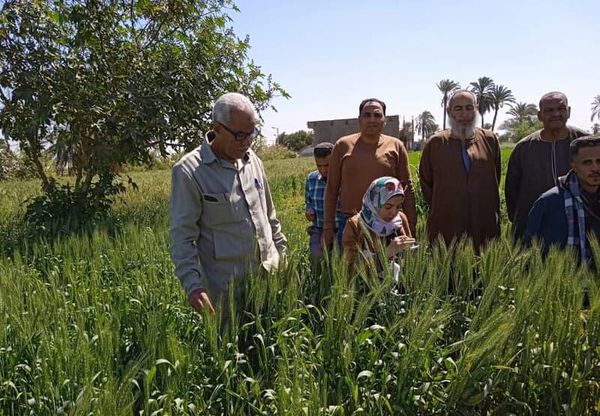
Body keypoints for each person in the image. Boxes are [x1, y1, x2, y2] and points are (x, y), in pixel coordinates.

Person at [170, 92, 287, 318]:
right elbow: (182, 237)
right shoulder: (189, 171)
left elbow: (269, 215)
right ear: (217, 128)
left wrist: (282, 256)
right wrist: (194, 286)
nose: (246, 143)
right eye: (239, 135)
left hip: (269, 278)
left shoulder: (253, 160)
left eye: (251, 134)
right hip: (227, 291)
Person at [323, 98, 417, 248]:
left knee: (388, 268)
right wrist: (328, 228)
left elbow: (407, 188)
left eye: (377, 115)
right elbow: (332, 189)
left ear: (384, 120)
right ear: (359, 119)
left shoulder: (396, 146)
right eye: (367, 115)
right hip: (351, 223)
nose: (372, 119)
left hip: (388, 224)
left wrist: (410, 225)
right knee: (350, 269)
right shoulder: (342, 145)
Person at [418, 90, 501, 250]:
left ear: (476, 109)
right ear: (449, 112)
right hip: (447, 226)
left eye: (469, 108)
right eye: (458, 108)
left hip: (483, 224)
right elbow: (426, 185)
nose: (465, 114)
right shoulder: (436, 143)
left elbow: (494, 177)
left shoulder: (489, 140)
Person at [506, 91, 589, 240]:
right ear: (539, 115)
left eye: (561, 109)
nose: (556, 114)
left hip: (581, 225)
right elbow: (512, 192)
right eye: (549, 110)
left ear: (569, 112)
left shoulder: (586, 142)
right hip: (535, 228)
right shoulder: (524, 147)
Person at [525, 136, 600, 264]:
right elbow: (530, 250)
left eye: (599, 161)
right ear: (574, 167)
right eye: (587, 162)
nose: (595, 168)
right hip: (562, 279)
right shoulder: (550, 202)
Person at [342, 176, 415, 272]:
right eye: (388, 207)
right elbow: (350, 269)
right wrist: (386, 254)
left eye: (398, 207)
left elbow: (410, 258)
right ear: (374, 203)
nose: (394, 213)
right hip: (367, 286)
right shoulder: (355, 225)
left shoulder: (400, 219)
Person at [305, 142, 334, 263]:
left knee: (338, 260)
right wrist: (309, 211)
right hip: (318, 228)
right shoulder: (311, 179)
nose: (323, 170)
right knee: (316, 258)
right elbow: (308, 201)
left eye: (327, 165)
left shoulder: (344, 179)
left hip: (339, 229)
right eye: (319, 166)